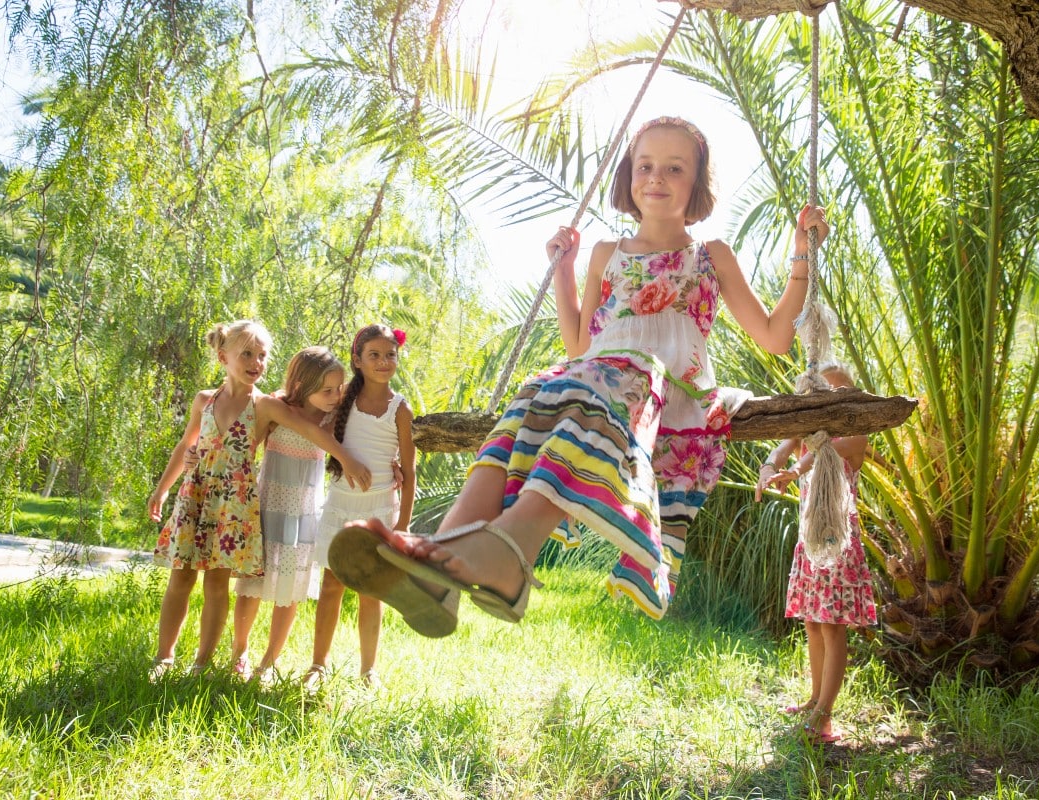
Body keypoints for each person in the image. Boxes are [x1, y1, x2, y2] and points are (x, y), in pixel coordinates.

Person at [328, 115, 828, 633]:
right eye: (645, 165)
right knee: (535, 392)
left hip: (667, 394)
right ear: (628, 177)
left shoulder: (710, 256)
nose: (656, 177)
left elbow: (774, 337)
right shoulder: (606, 254)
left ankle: (508, 551)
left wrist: (801, 255)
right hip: (600, 380)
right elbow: (580, 346)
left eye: (674, 168)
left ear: (697, 184)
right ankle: (439, 556)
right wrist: (563, 270)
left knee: (607, 381)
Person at [147, 320, 368, 681]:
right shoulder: (204, 400)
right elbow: (186, 444)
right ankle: (163, 659)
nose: (256, 361)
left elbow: (311, 430)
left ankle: (202, 664)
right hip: (196, 497)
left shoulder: (265, 406)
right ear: (223, 357)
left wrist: (346, 458)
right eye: (246, 354)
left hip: (232, 506)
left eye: (262, 355)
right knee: (180, 578)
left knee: (217, 583)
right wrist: (162, 489)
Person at [755, 362, 877, 744]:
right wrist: (769, 466)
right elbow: (784, 445)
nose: (830, 400)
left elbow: (829, 448)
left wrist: (795, 469)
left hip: (837, 545)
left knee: (831, 625)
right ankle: (814, 699)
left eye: (840, 393)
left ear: (852, 399)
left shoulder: (856, 436)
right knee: (812, 621)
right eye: (823, 393)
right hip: (812, 541)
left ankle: (825, 716)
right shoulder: (811, 432)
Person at [306, 324, 424, 691]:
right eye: (374, 355)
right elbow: (313, 423)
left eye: (390, 354)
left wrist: (401, 525)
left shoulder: (399, 409)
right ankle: (317, 665)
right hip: (341, 504)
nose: (383, 361)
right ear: (357, 360)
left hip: (379, 512)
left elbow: (409, 470)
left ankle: (368, 670)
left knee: (371, 592)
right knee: (331, 585)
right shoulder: (342, 400)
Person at [227, 346, 346, 684]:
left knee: (290, 589)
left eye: (339, 389)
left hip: (305, 512)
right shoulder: (275, 406)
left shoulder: (333, 418)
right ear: (301, 383)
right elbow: (247, 450)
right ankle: (240, 653)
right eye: (327, 390)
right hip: (267, 505)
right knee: (252, 586)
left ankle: (268, 663)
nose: (335, 396)